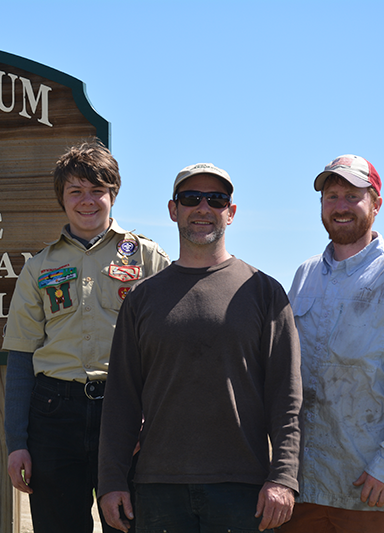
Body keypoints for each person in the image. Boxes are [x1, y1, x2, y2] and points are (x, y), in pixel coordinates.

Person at [97, 162, 303, 533]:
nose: (203, 208)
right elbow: (121, 399)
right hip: (157, 487)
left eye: (216, 199)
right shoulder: (142, 299)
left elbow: (286, 396)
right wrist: (112, 481)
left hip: (243, 488)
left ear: (231, 212)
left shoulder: (264, 292)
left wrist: (283, 477)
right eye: (191, 198)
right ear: (173, 209)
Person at [2, 140, 171, 533]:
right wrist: (17, 443)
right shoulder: (38, 267)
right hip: (54, 414)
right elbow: (21, 358)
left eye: (97, 190)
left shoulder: (147, 257)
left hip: (126, 410)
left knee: (131, 525)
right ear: (61, 199)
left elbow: (170, 351)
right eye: (75, 191)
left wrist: (151, 418)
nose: (87, 201)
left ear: (114, 194)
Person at [281, 154, 384, 533]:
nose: (340, 206)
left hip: (370, 488)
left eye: (353, 196)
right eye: (331, 196)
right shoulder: (305, 275)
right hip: (305, 487)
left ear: (376, 204)